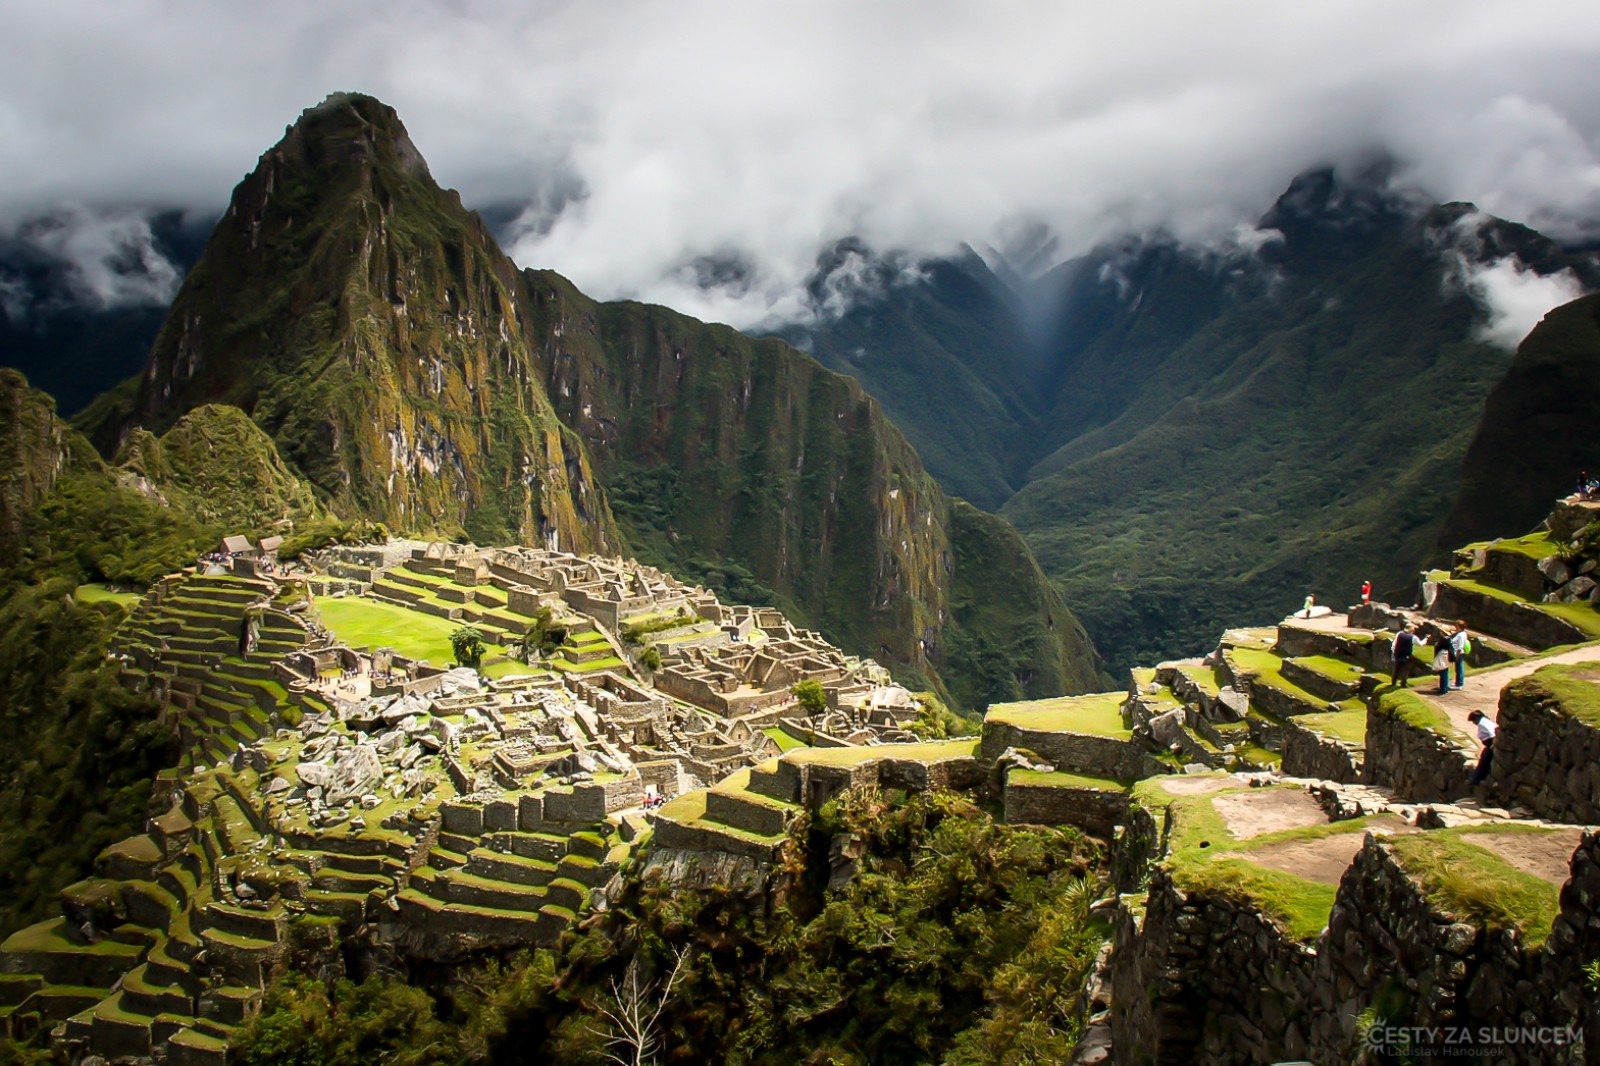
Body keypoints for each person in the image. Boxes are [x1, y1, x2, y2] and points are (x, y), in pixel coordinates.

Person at [1467, 710, 1496, 783]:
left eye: (1473, 721)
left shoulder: (1483, 723)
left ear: (1476, 719)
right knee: (1483, 757)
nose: (1474, 723)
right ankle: (1479, 777)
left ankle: (1475, 779)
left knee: (1484, 759)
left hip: (1491, 744)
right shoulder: (1484, 721)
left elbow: (1492, 733)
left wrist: (1493, 744)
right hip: (1489, 744)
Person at [1448, 621, 1471, 690]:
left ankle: (1459, 684)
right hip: (1460, 653)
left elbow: (1460, 647)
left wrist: (1457, 656)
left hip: (1459, 653)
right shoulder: (1462, 633)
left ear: (1459, 627)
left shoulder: (1461, 635)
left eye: (1456, 626)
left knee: (1459, 669)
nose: (1455, 627)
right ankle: (1458, 683)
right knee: (1459, 669)